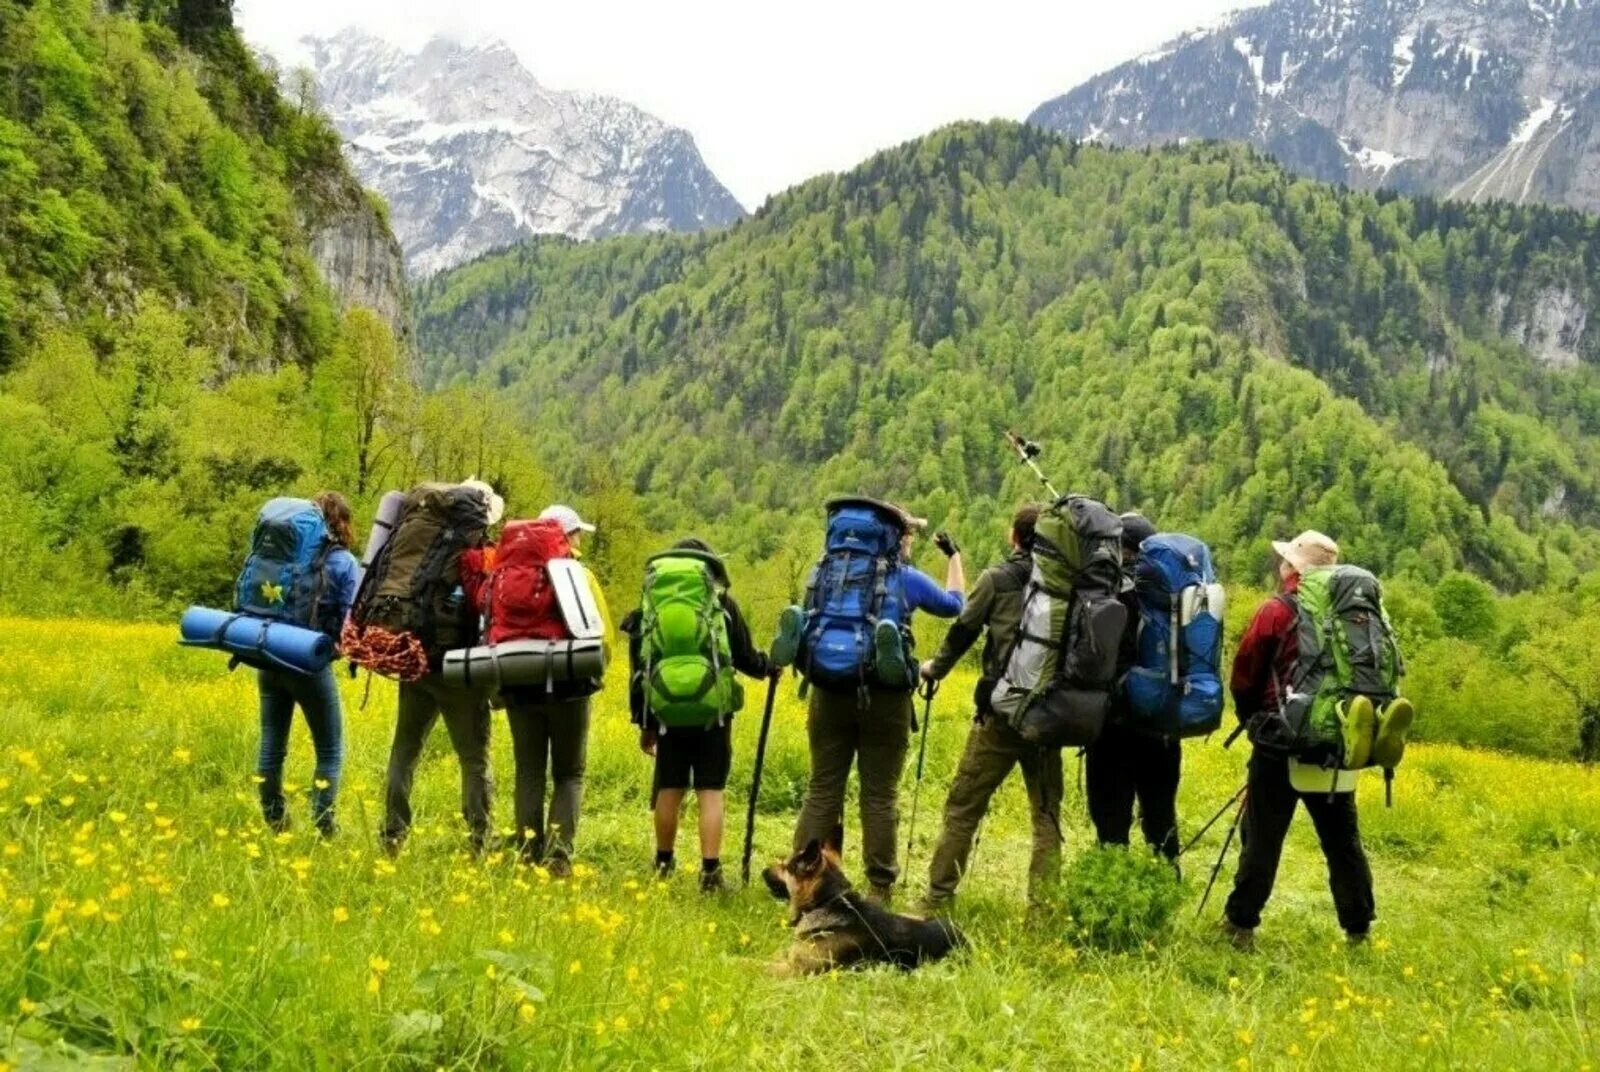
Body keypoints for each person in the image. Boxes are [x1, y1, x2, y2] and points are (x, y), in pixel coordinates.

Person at [790, 504, 966, 905]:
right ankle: (879, 887)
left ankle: (802, 877)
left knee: (822, 787)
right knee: (879, 794)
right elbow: (956, 606)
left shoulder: (824, 574)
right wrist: (955, 558)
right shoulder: (905, 579)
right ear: (895, 537)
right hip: (885, 698)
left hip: (829, 688)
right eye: (908, 535)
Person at [1222, 530, 1376, 950]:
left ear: (1291, 568)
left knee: (1263, 836)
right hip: (1338, 739)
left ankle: (1241, 925)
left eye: (1284, 560)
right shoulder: (1353, 613)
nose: (1280, 565)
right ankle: (1358, 928)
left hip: (1280, 741)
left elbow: (1245, 672)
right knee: (1342, 840)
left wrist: (1252, 718)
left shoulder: (1275, 610)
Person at [917, 504, 1063, 912]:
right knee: (1046, 815)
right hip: (1050, 717)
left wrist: (935, 669)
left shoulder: (996, 580)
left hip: (1000, 715)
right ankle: (1043, 907)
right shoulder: (1066, 585)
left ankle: (938, 896)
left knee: (964, 805)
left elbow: (962, 630)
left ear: (1014, 537)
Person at [620, 538, 776, 892]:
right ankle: (710, 872)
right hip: (712, 714)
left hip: (665, 714)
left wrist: (644, 722)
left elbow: (639, 667)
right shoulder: (720, 603)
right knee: (711, 790)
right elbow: (745, 658)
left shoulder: (650, 606)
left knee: (669, 786)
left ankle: (663, 863)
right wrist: (770, 667)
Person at [380, 479, 503, 856]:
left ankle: (391, 836)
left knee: (404, 750)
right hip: (458, 667)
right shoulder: (477, 554)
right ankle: (479, 840)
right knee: (474, 758)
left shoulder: (423, 538)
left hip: (415, 656)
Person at [499, 503, 611, 876]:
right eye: (577, 532)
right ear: (565, 536)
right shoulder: (579, 574)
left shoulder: (507, 571)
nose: (580, 539)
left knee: (528, 771)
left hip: (517, 681)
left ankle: (527, 851)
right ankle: (559, 857)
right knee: (569, 773)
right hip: (569, 687)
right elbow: (603, 636)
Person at [256, 491, 359, 838]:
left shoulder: (285, 557)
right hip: (309, 663)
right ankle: (324, 826)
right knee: (329, 750)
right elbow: (349, 618)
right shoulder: (344, 563)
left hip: (268, 652)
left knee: (272, 741)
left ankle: (275, 820)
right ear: (342, 523)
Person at [1085, 512, 1182, 865]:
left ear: (1120, 549)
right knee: (1161, 817)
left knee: (1111, 820)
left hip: (1115, 726)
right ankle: (1166, 889)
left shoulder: (1111, 593)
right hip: (1163, 726)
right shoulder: (1177, 595)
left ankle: (1112, 896)